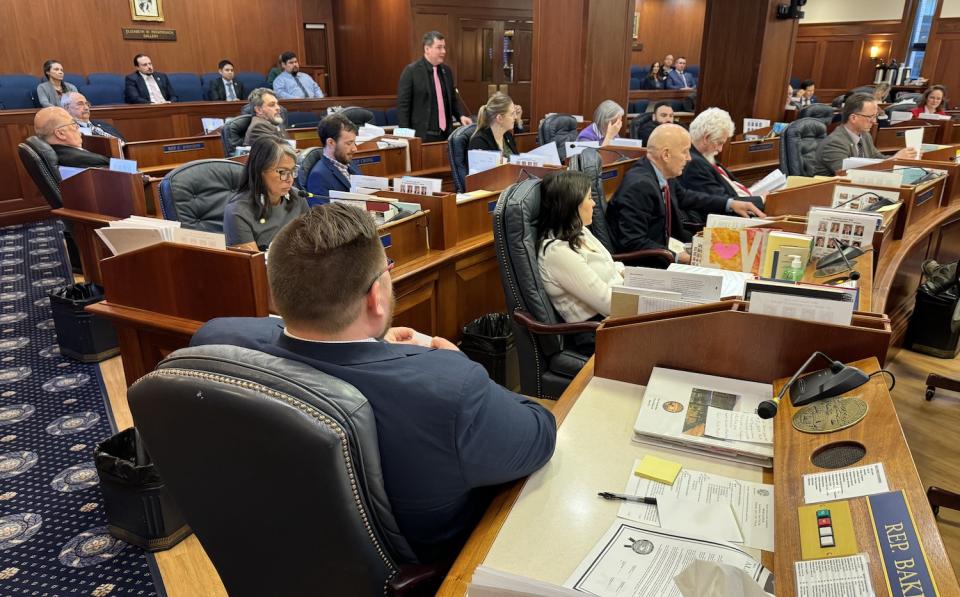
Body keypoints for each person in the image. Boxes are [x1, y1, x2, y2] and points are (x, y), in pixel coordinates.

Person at [192, 202, 556, 562]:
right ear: (375, 297)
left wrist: (377, 346)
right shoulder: (450, 390)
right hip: (429, 574)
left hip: (274, 556)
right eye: (388, 271)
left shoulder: (214, 339)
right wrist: (455, 365)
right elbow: (540, 432)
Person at [537, 170, 624, 324]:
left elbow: (609, 263)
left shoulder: (578, 230)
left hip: (617, 309)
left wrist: (630, 277)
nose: (594, 203)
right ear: (572, 204)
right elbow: (608, 304)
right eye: (589, 198)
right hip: (597, 329)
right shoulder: (557, 253)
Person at [606, 124, 697, 263]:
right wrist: (678, 257)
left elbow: (685, 197)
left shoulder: (661, 172)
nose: (689, 158)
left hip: (666, 250)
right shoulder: (639, 187)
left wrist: (730, 203)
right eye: (685, 152)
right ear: (666, 155)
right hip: (646, 266)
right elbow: (632, 242)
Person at [680, 108, 766, 224]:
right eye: (719, 143)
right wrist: (762, 199)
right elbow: (721, 201)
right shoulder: (694, 163)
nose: (720, 149)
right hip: (731, 220)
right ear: (706, 138)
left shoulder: (704, 157)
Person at [223, 136, 310, 251]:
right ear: (260, 171)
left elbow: (311, 243)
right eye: (282, 172)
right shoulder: (237, 212)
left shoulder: (298, 197)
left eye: (293, 171)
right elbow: (253, 266)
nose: (290, 179)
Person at [814, 92, 918, 176]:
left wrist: (899, 157)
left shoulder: (864, 135)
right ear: (853, 118)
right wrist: (894, 160)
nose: (874, 121)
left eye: (875, 116)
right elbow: (847, 174)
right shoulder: (834, 143)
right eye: (870, 117)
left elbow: (877, 158)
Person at [397, 31, 473, 141]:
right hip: (422, 135)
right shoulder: (411, 71)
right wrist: (405, 135)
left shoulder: (446, 71)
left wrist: (461, 116)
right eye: (439, 47)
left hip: (446, 134)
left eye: (444, 47)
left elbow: (452, 99)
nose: (443, 51)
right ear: (427, 49)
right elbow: (403, 105)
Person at [33, 107, 110, 168]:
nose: (78, 127)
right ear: (60, 134)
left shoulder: (55, 153)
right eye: (73, 124)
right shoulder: (86, 160)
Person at [305, 113, 360, 199]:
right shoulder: (319, 176)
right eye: (349, 143)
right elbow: (322, 212)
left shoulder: (350, 164)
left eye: (354, 142)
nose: (355, 149)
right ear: (331, 142)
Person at [468, 92, 518, 158]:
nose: (516, 117)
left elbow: (516, 161)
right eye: (512, 114)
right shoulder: (479, 142)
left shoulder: (508, 136)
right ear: (499, 118)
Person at [60, 92, 125, 141]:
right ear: (67, 108)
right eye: (80, 104)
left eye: (87, 104)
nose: (86, 108)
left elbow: (124, 142)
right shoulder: (71, 130)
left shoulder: (103, 124)